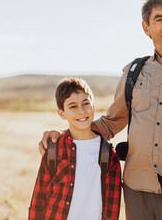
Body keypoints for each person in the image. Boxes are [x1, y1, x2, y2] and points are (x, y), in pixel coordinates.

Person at [39, 0, 162, 220]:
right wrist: (63, 136)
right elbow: (112, 122)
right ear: (146, 27)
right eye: (159, 19)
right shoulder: (133, 71)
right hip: (136, 187)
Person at [30, 77, 121, 220]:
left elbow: (112, 207)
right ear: (62, 113)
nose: (81, 111)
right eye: (73, 106)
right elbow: (38, 198)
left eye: (86, 104)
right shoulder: (54, 149)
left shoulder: (108, 154)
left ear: (93, 106)